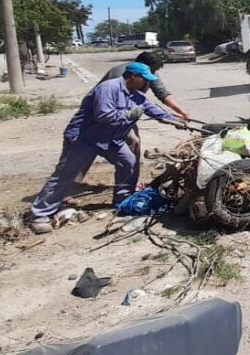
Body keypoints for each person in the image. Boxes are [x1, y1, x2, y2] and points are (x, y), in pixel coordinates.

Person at [28, 62, 177, 234]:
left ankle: (123, 200)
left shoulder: (135, 94)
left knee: (128, 162)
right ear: (133, 77)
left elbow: (153, 109)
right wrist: (128, 115)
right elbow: (103, 115)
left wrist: (177, 121)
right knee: (65, 175)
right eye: (145, 79)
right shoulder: (108, 88)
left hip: (111, 139)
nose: (147, 84)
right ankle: (39, 215)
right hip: (85, 138)